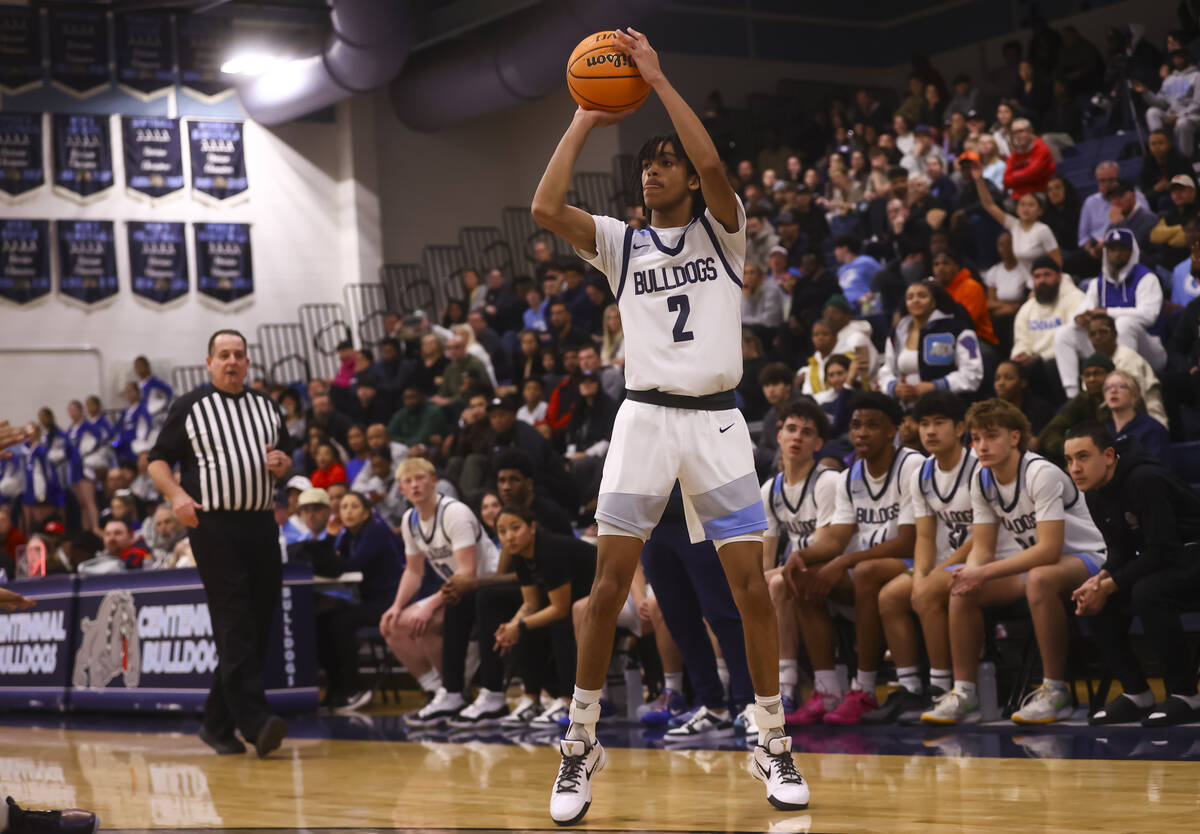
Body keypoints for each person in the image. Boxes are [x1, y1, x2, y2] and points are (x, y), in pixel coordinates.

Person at [529, 28, 807, 822]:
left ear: (686, 175)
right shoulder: (622, 244)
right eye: (645, 163)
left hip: (718, 422)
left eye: (664, 162)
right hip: (645, 420)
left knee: (750, 588)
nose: (652, 170)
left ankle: (771, 739)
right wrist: (584, 115)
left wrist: (656, 79)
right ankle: (579, 745)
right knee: (603, 588)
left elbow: (716, 166)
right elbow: (546, 207)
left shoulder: (724, 232)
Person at [147, 329, 293, 758]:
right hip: (214, 526)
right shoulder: (190, 407)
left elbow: (284, 459)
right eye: (224, 355)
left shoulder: (268, 407)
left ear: (248, 363)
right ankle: (256, 721)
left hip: (261, 524)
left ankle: (216, 724)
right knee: (234, 621)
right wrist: (176, 496)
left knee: (259, 622)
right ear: (209, 362)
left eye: (239, 355)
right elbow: (156, 460)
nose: (232, 362)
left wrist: (283, 465)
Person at [920, 398, 1107, 725]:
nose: (982, 446)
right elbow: (983, 547)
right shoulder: (982, 479)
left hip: (1087, 559)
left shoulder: (1041, 473)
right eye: (976, 438)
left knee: (1039, 577)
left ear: (1015, 437)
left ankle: (1056, 691)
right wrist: (972, 572)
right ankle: (965, 693)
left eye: (991, 436)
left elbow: (1050, 550)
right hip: (1037, 566)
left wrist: (984, 570)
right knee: (961, 587)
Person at [781, 393, 925, 725]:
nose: (861, 433)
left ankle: (866, 689)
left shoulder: (911, 464)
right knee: (802, 576)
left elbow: (907, 542)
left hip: (914, 563)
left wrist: (844, 562)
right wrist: (800, 555)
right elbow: (835, 540)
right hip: (870, 572)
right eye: (856, 425)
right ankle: (827, 689)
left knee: (865, 570)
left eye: (872, 426)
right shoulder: (850, 476)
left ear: (891, 431)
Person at [1063, 422, 1200, 727]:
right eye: (1069, 460)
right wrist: (1097, 581)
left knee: (1148, 592)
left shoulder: (1145, 479)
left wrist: (1110, 584)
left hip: (1190, 553)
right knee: (1097, 600)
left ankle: (1186, 695)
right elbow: (1120, 550)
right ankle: (1136, 694)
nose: (1075, 468)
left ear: (1109, 455)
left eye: (1083, 457)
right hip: (1170, 559)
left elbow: (1162, 549)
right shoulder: (1094, 494)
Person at [866, 391, 977, 723]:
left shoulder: (977, 467)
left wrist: (929, 578)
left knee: (925, 591)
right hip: (945, 561)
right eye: (925, 424)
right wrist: (923, 572)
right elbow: (925, 536)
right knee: (889, 596)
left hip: (981, 557)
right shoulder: (922, 474)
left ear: (960, 429)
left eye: (939, 423)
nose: (930, 431)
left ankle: (941, 688)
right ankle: (911, 688)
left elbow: (980, 537)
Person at [381, 457, 503, 727]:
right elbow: (414, 571)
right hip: (456, 590)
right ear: (401, 489)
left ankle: (454, 690)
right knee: (393, 625)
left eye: (420, 478)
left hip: (486, 586)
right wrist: (396, 606)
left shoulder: (454, 513)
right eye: (408, 481)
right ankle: (439, 690)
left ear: (434, 482)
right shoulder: (409, 520)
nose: (415, 485)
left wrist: (430, 605)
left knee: (423, 622)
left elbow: (468, 572)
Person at [759, 402, 840, 720]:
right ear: (779, 435)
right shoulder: (770, 489)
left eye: (807, 433)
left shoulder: (827, 481)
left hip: (832, 570)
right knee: (743, 591)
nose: (797, 437)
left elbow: (827, 547)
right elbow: (766, 559)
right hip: (797, 573)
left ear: (818, 444)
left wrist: (771, 575)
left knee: (779, 582)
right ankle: (746, 688)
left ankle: (786, 687)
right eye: (791, 429)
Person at [487, 506, 599, 727]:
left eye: (515, 528)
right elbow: (531, 604)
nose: (509, 536)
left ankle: (568, 700)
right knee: (523, 629)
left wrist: (518, 624)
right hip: (573, 604)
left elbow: (560, 608)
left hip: (598, 598)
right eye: (502, 531)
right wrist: (510, 627)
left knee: (558, 625)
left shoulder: (549, 549)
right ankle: (532, 698)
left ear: (532, 527)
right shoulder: (520, 556)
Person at [317, 491, 403, 711]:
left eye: (354, 506)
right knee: (323, 619)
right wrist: (330, 535)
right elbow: (331, 564)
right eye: (344, 506)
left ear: (366, 513)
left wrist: (333, 557)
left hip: (390, 602)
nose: (347, 511)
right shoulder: (347, 535)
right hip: (368, 601)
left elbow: (349, 565)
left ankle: (355, 688)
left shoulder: (376, 531)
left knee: (341, 622)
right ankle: (336, 688)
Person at [1055, 230, 1168, 395]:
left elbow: (1149, 315)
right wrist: (1081, 318)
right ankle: (1073, 395)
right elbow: (1086, 308)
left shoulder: (1146, 278)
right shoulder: (1099, 283)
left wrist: (1107, 312)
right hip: (1109, 346)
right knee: (1064, 333)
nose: (1117, 254)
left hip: (1149, 350)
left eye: (1122, 248)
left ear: (1133, 251)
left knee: (1124, 324)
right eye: (1112, 249)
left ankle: (1124, 387)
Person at [877, 279, 984, 405]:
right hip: (906, 410)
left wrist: (934, 386)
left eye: (922, 296)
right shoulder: (897, 334)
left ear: (934, 302)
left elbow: (972, 374)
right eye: (910, 297)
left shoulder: (958, 330)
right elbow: (886, 370)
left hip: (948, 406)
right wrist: (894, 387)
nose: (915, 300)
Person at [1010, 256, 1085, 398]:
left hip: (1065, 361)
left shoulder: (1076, 299)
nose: (1042, 281)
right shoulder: (1027, 309)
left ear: (1059, 278)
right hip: (1035, 364)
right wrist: (1021, 355)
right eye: (1037, 276)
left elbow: (1075, 338)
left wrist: (1039, 359)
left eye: (1047, 275)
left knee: (1050, 366)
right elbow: (1021, 341)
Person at [1038, 353, 1111, 463]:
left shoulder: (1121, 398)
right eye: (1087, 375)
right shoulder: (1082, 399)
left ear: (1111, 375)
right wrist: (1069, 450)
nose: (1091, 379)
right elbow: (1051, 431)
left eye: (1097, 373)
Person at [1135, 48, 1200, 157]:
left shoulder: (1197, 76)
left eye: (1179, 56)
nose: (1176, 59)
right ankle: (1162, 154)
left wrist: (1179, 116)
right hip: (1171, 115)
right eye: (1174, 57)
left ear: (1187, 57)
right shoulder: (1169, 79)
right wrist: (1146, 92)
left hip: (1192, 115)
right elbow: (1161, 102)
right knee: (1152, 112)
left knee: (1182, 123)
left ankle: (1186, 160)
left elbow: (1198, 102)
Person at [1101, 370, 1169, 463]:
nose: (1113, 391)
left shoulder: (1151, 429)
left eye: (1121, 386)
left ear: (1135, 395)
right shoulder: (1103, 432)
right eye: (1108, 387)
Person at [931, 250, 997, 345]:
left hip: (978, 338)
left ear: (956, 266)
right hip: (946, 338)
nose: (940, 268)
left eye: (946, 263)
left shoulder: (971, 286)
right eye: (936, 264)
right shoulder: (934, 289)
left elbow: (966, 323)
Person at [993, 359, 1054, 435]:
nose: (1001, 383)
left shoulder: (1041, 410)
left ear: (1023, 383)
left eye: (1008, 378)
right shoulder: (990, 412)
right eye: (997, 379)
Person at [1001, 118, 1056, 200]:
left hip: (1042, 193)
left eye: (1021, 131)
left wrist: (1014, 175)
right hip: (1019, 196)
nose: (1017, 135)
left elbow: (1033, 174)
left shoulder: (1041, 148)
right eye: (1014, 132)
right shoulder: (1015, 153)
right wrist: (1024, 176)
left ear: (1030, 131)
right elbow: (1006, 181)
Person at [832, 235, 882, 308]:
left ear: (845, 248)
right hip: (849, 308)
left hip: (868, 305)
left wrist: (868, 296)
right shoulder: (840, 270)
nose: (834, 252)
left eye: (836, 249)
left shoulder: (865, 261)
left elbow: (882, 280)